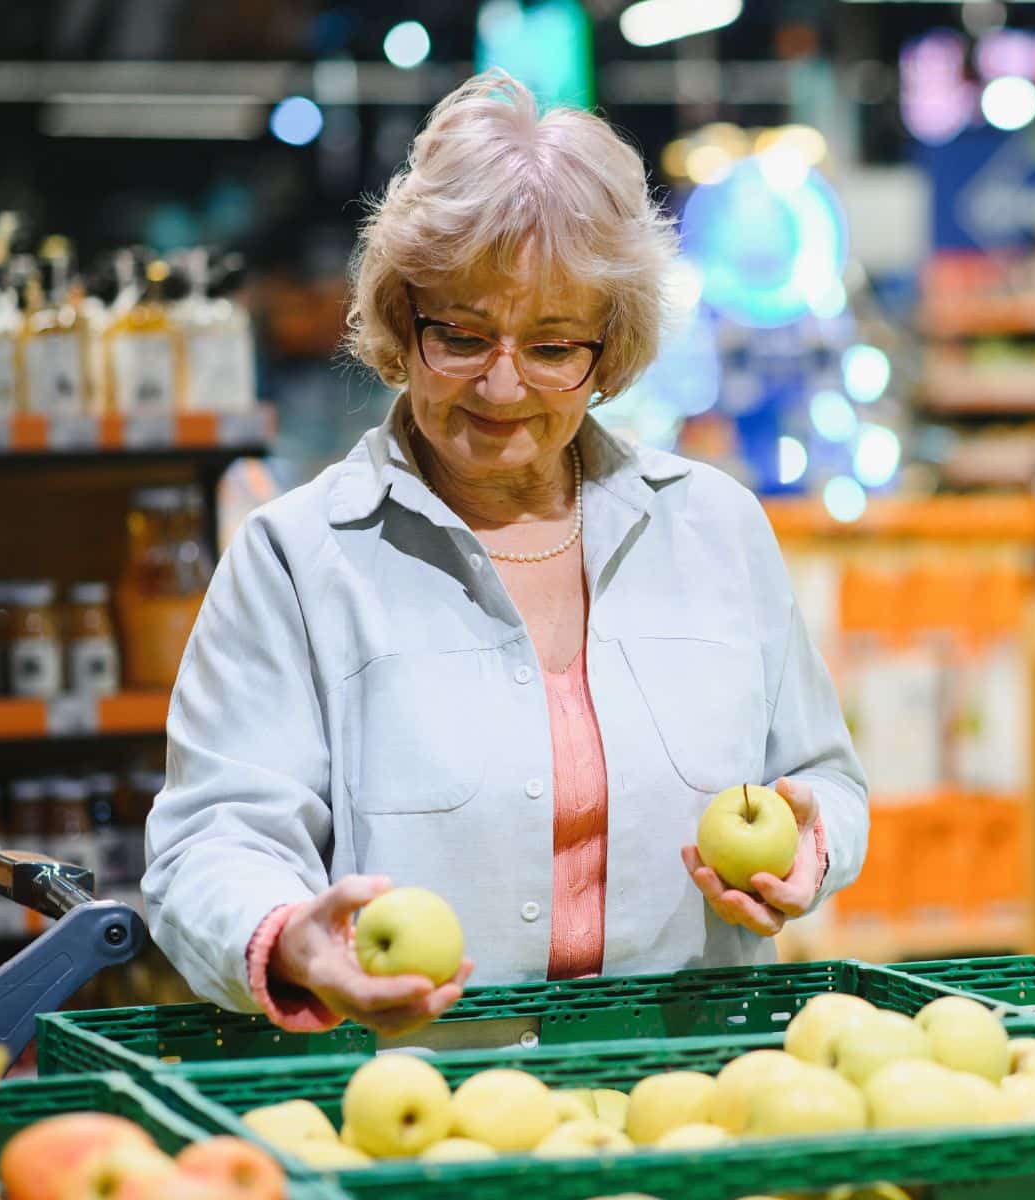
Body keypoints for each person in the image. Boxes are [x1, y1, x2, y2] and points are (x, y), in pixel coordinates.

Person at [142, 70, 868, 1036]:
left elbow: (826, 781)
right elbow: (211, 839)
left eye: (553, 345)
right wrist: (288, 936)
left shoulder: (717, 532)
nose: (502, 384)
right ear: (404, 323)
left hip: (693, 1101)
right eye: (464, 334)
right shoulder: (299, 559)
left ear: (609, 352)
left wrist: (811, 847)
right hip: (415, 1105)